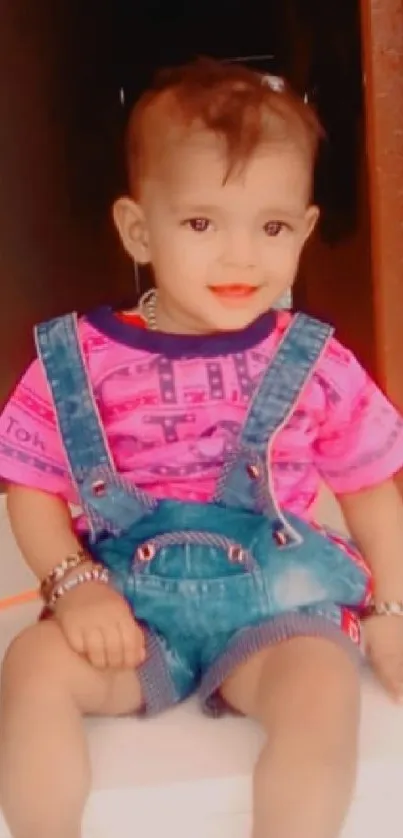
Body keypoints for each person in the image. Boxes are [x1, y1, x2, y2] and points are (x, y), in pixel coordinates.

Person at [0, 57, 403, 838]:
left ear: (305, 230)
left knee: (322, 686)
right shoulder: (73, 362)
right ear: (137, 229)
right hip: (125, 611)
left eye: (272, 226)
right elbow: (30, 485)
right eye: (200, 223)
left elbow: (368, 488)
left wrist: (389, 608)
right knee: (32, 668)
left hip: (272, 613)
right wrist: (75, 582)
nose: (240, 257)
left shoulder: (315, 361)